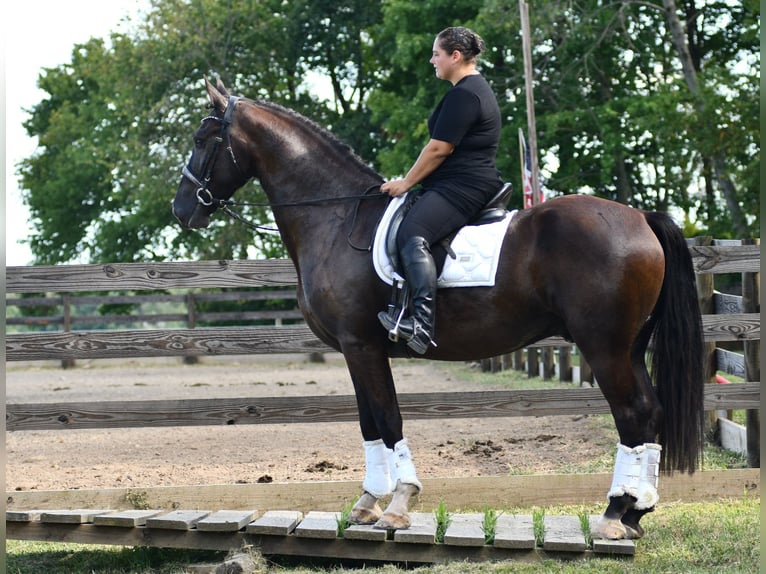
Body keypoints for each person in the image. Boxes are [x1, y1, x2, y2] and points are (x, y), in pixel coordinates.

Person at [378, 26, 504, 354]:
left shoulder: (466, 94)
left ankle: (421, 322)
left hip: (464, 186)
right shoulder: (469, 90)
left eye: (437, 54)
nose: (432, 60)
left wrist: (407, 182)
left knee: (412, 234)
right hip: (458, 183)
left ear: (455, 56)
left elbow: (439, 149)